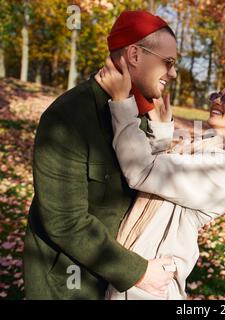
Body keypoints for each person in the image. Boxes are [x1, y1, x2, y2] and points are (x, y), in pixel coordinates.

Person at [23, 10, 177, 299]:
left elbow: (149, 179)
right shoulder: (68, 117)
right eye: (167, 63)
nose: (173, 73)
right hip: (69, 283)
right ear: (134, 54)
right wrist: (138, 272)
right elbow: (65, 222)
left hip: (113, 284)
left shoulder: (138, 116)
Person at [96, 57, 225, 299]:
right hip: (136, 269)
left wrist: (121, 103)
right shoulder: (207, 148)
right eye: (216, 95)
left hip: (151, 281)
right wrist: (161, 132)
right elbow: (159, 176)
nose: (216, 101)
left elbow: (142, 171)